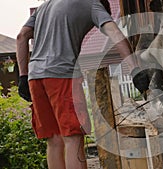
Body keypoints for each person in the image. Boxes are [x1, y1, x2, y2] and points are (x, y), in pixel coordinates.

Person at [16, 0, 149, 168]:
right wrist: (134, 69)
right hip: (62, 77)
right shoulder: (92, 4)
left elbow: (21, 36)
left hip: (35, 78)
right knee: (73, 138)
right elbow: (115, 32)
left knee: (54, 139)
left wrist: (22, 77)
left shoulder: (45, 6)